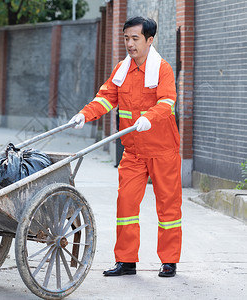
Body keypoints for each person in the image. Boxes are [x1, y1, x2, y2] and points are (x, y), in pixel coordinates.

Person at [69, 16, 182, 277]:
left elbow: (167, 102)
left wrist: (148, 118)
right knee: (126, 205)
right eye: (126, 38)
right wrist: (85, 115)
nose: (129, 44)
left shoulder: (161, 69)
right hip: (133, 152)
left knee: (168, 207)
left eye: (135, 38)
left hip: (162, 150)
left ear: (149, 40)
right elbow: (106, 99)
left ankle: (169, 260)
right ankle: (126, 261)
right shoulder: (122, 69)